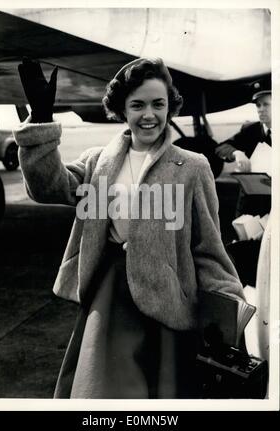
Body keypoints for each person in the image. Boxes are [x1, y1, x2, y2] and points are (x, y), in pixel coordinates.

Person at [13, 56, 245, 399]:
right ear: (122, 109)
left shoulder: (193, 168)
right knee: (99, 392)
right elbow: (48, 186)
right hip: (110, 298)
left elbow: (208, 247)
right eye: (137, 104)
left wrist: (227, 307)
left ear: (170, 107)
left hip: (167, 303)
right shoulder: (98, 161)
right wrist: (42, 125)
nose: (148, 114)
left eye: (158, 104)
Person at [215, 83, 272, 172]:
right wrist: (236, 153)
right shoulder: (251, 130)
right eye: (258, 105)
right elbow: (221, 148)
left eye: (266, 104)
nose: (260, 109)